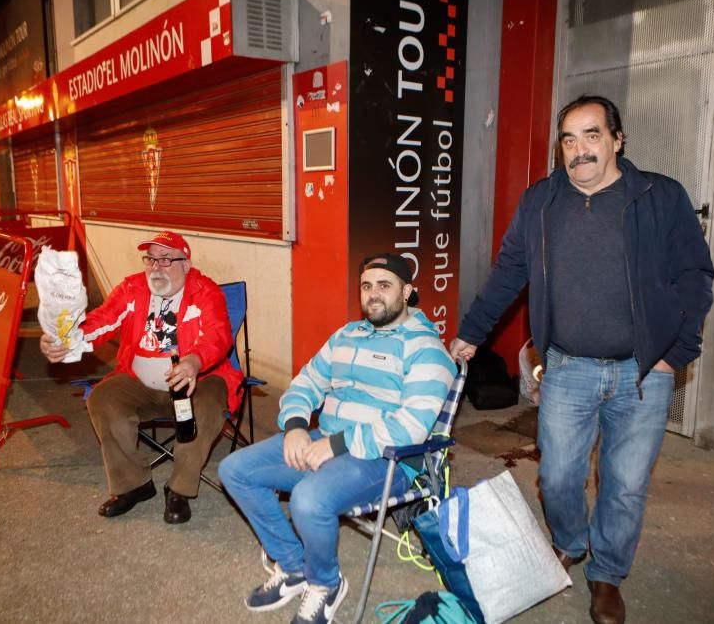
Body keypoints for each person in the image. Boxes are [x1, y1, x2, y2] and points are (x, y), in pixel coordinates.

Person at [450, 95, 714, 624]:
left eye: (592, 135)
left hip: (643, 372)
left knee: (626, 482)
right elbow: (508, 274)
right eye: (568, 140)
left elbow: (695, 276)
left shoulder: (659, 198)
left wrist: (676, 354)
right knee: (561, 475)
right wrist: (470, 334)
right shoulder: (541, 202)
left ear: (618, 140)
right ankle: (570, 540)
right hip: (568, 367)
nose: (580, 151)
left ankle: (608, 574)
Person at [219, 253, 456, 624]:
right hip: (325, 439)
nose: (373, 294)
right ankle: (295, 566)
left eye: (384, 285)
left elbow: (410, 426)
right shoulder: (346, 335)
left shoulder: (427, 349)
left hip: (387, 459)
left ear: (408, 292)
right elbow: (307, 382)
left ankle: (326, 583)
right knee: (235, 468)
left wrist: (335, 445)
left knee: (309, 498)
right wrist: (297, 424)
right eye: (366, 286)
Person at [40, 230, 242, 524]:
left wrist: (194, 361)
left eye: (165, 260)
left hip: (196, 379)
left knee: (209, 405)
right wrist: (66, 340)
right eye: (150, 259)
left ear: (186, 264)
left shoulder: (206, 291)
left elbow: (218, 334)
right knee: (104, 398)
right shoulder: (132, 289)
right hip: (139, 381)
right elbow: (102, 321)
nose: (155, 268)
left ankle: (179, 490)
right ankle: (134, 484)